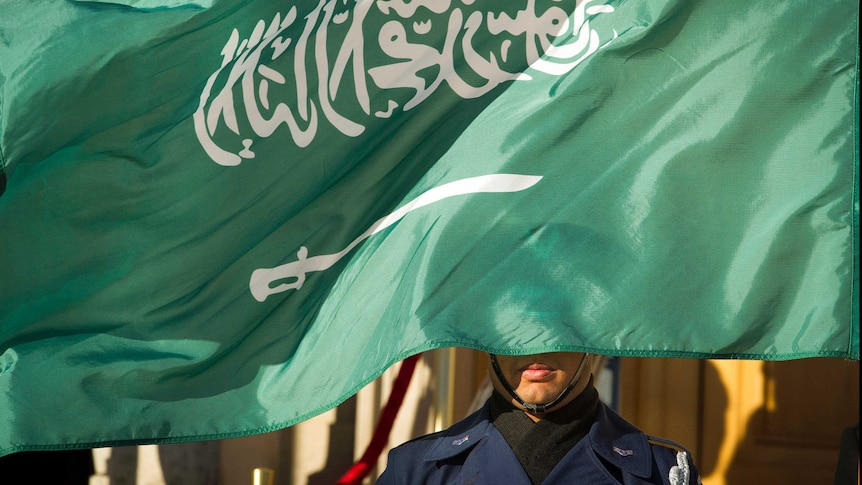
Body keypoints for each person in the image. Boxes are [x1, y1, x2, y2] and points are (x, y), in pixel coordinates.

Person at [378, 352, 700, 484]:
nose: (536, 346)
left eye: (559, 323)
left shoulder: (663, 472)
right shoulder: (416, 471)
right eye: (514, 325)